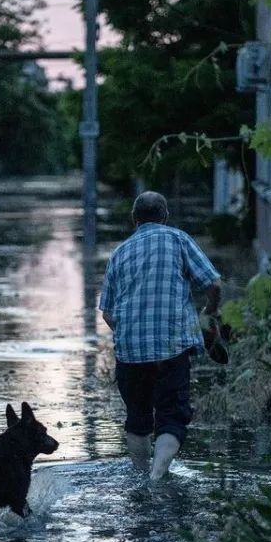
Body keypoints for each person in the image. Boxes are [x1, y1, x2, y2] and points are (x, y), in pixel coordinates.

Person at [98, 191, 222, 480]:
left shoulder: (119, 252)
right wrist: (209, 315)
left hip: (130, 351)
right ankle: (156, 477)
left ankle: (141, 478)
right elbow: (214, 285)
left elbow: (106, 313)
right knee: (172, 415)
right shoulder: (178, 239)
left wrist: (131, 333)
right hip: (171, 346)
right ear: (165, 217)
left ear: (134, 219)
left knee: (138, 418)